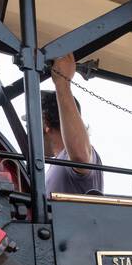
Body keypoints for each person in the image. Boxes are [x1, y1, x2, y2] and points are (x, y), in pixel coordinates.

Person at [42, 53, 104, 194]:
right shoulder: (56, 164)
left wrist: (62, 84)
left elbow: (80, 158)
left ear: (45, 122)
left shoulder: (73, 157)